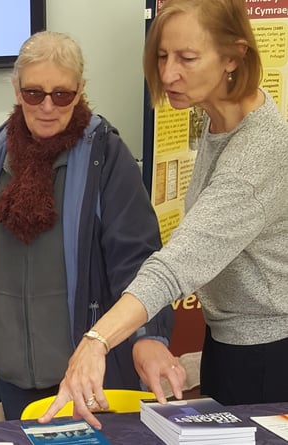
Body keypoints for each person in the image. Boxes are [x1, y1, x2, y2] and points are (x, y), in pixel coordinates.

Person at [40, 0, 288, 430]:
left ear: (233, 55)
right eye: (162, 56)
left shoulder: (257, 155)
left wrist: (96, 341)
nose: (169, 74)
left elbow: (176, 266)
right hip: (227, 339)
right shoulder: (219, 119)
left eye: (187, 59)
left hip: (267, 353)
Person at [0, 31, 176, 422]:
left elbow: (138, 258)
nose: (47, 106)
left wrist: (150, 336)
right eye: (34, 93)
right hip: (12, 375)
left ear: (80, 91)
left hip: (88, 373)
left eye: (62, 95)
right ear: (16, 89)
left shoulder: (105, 157)